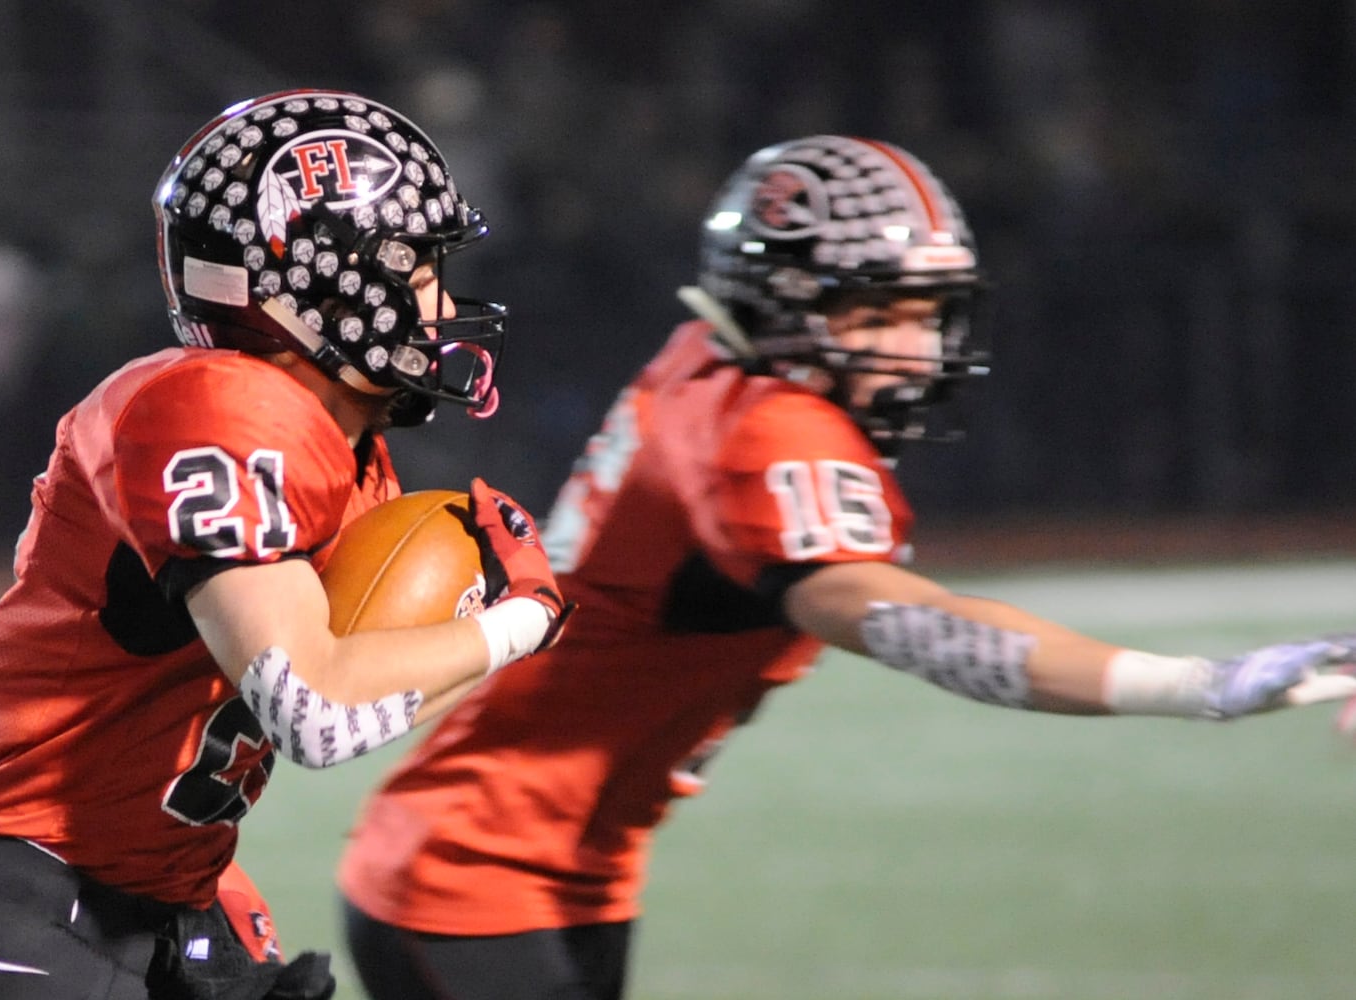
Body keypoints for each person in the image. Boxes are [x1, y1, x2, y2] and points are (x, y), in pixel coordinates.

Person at [334, 134, 1356, 1000]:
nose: (912, 349)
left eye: (924, 311)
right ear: (781, 305)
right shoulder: (765, 430)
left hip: (551, 867)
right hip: (472, 879)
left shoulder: (712, 358)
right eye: (874, 312)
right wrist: (1194, 684)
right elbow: (884, 611)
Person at [0, 89, 568, 1000]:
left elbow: (348, 694)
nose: (442, 303)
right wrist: (521, 620)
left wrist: (205, 893)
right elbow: (318, 709)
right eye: (418, 269)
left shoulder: (348, 457)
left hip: (151, 907)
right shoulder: (216, 410)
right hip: (20, 927)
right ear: (328, 282)